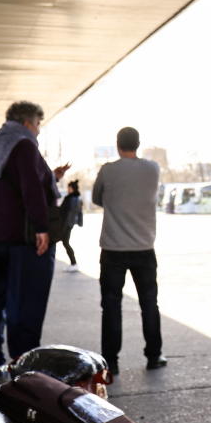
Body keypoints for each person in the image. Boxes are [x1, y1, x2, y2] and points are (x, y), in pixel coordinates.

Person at [0, 101, 66, 364]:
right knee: (25, 303)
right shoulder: (23, 145)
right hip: (21, 240)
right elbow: (30, 188)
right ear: (26, 123)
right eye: (37, 124)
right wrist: (42, 228)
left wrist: (50, 177)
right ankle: (23, 362)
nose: (38, 130)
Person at [91, 127, 165, 375]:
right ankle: (154, 356)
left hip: (113, 248)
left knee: (111, 306)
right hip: (144, 247)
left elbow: (97, 198)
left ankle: (111, 362)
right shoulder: (153, 169)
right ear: (138, 144)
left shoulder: (108, 170)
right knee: (149, 303)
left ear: (117, 145)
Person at [59, 180, 83, 272]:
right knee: (65, 243)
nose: (68, 189)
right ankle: (73, 263)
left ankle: (74, 263)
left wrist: (66, 225)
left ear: (72, 188)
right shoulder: (75, 198)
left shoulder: (72, 198)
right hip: (68, 224)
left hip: (66, 224)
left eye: (69, 188)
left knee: (66, 243)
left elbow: (69, 213)